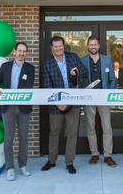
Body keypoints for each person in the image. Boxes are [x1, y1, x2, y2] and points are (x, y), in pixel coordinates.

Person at [41, 36, 88, 175]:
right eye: (55, 46)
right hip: (56, 104)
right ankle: (52, 160)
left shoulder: (73, 57)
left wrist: (76, 72)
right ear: (51, 47)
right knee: (54, 132)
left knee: (72, 133)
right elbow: (47, 85)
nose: (58, 48)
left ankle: (69, 162)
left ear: (63, 45)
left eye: (60, 46)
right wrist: (57, 102)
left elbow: (84, 71)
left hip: (73, 102)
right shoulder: (47, 63)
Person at [0, 42, 35, 181]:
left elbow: (29, 86)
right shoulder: (5, 67)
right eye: (20, 50)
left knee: (23, 138)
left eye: (24, 51)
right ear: (14, 52)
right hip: (8, 108)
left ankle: (22, 165)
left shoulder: (30, 68)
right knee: (9, 139)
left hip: (24, 108)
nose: (22, 53)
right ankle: (10, 167)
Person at [80, 36, 117, 167]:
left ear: (99, 46)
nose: (93, 47)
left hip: (103, 99)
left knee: (107, 127)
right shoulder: (82, 60)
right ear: (88, 46)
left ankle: (108, 156)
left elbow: (113, 79)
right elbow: (78, 80)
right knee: (90, 127)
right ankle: (94, 154)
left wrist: (110, 94)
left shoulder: (107, 60)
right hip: (89, 99)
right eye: (91, 44)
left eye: (95, 44)